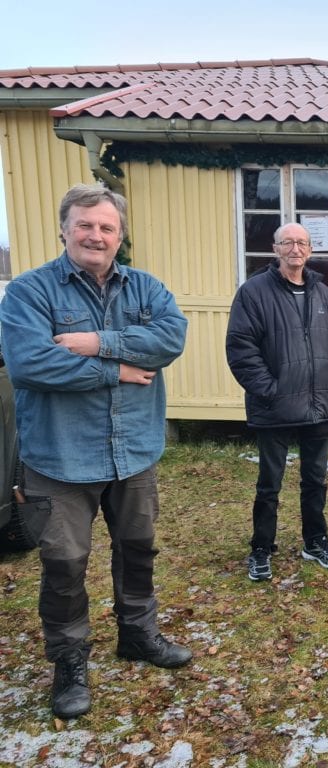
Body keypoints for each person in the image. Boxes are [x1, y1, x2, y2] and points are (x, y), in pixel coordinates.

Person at [0, 183, 192, 719]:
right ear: (64, 229)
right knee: (64, 564)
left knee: (138, 550)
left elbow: (171, 339)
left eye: (107, 227)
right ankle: (68, 662)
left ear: (120, 235)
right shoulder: (29, 293)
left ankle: (138, 634)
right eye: (85, 225)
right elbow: (31, 364)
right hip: (60, 459)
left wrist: (96, 342)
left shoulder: (147, 289)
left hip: (133, 453)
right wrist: (120, 369)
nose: (96, 235)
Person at [226, 222, 328, 582]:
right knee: (270, 483)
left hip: (318, 404)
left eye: (302, 242)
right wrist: (268, 389)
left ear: (310, 250)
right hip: (274, 407)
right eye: (287, 242)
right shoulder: (253, 293)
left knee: (315, 480)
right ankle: (261, 548)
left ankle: (315, 541)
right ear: (275, 248)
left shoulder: (323, 293)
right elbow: (240, 347)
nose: (295, 248)